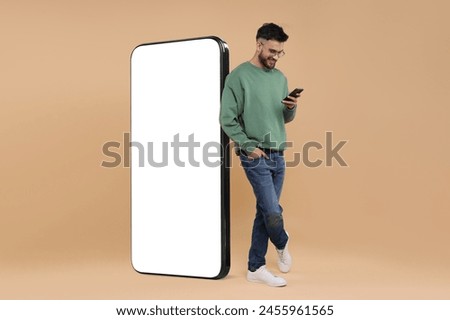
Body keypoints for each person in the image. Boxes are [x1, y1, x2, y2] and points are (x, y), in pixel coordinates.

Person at [220, 23, 301, 287]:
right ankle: (282, 241)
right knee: (272, 212)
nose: (276, 57)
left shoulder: (280, 78)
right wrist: (246, 145)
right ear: (259, 44)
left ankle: (255, 267)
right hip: (254, 154)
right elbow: (227, 119)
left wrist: (291, 108)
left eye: (280, 53)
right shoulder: (238, 77)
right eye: (272, 51)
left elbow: (282, 118)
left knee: (264, 212)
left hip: (278, 153)